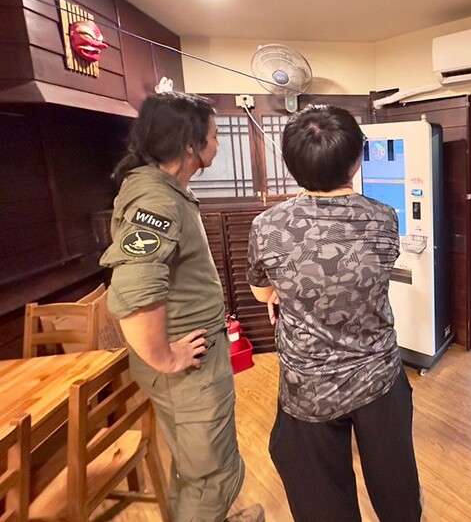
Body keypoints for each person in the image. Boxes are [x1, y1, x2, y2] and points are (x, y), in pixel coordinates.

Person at [246, 104, 421, 522]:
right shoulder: (383, 217)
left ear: (290, 164)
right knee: (396, 485)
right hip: (379, 376)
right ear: (357, 158)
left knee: (321, 498)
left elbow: (261, 292)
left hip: (308, 385)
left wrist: (283, 295)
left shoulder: (268, 226)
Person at [99, 91, 263, 522]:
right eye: (213, 135)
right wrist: (164, 355)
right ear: (191, 145)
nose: (218, 142)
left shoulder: (161, 188)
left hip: (188, 361)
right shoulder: (156, 201)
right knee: (214, 472)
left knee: (194, 465)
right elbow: (134, 286)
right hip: (187, 367)